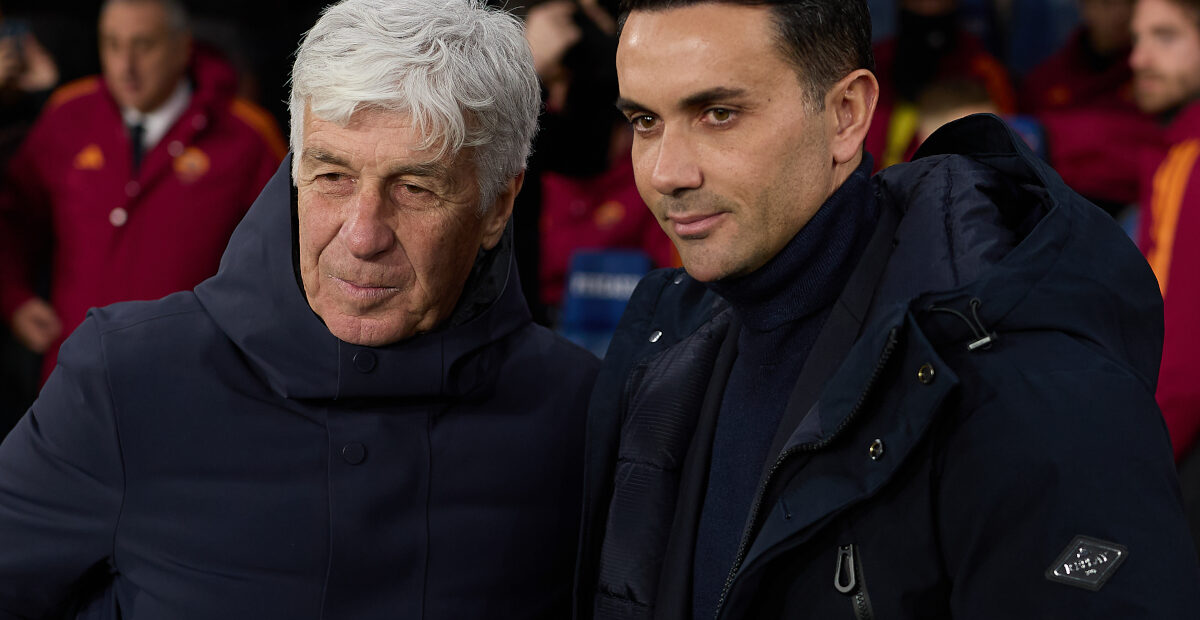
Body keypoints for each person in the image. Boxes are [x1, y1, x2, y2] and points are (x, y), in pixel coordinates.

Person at [575, 0, 1200, 617]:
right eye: (645, 121)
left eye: (718, 114)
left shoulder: (1024, 379)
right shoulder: (661, 349)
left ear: (846, 115)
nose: (667, 172)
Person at [0, 0, 599, 616]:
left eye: (415, 187)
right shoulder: (124, 381)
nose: (362, 235)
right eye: (332, 176)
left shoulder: (582, 414)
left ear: (499, 206)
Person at [0, 0, 285, 386]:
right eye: (112, 44)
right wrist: (15, 297)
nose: (125, 65)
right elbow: (12, 214)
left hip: (194, 386)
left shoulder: (247, 137)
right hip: (73, 383)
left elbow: (285, 258)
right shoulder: (66, 116)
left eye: (143, 45)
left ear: (182, 47)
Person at [1021, 0, 1163, 216]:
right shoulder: (1045, 79)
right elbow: (1023, 146)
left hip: (1134, 203)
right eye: (1106, 4)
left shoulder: (1155, 76)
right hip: (1053, 203)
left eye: (1128, 4)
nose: (1120, 14)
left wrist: (1054, 136)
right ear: (1085, 7)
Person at [866, 0, 1016, 169]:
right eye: (919, 3)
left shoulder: (981, 65)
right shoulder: (874, 63)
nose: (929, 8)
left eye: (940, 2)